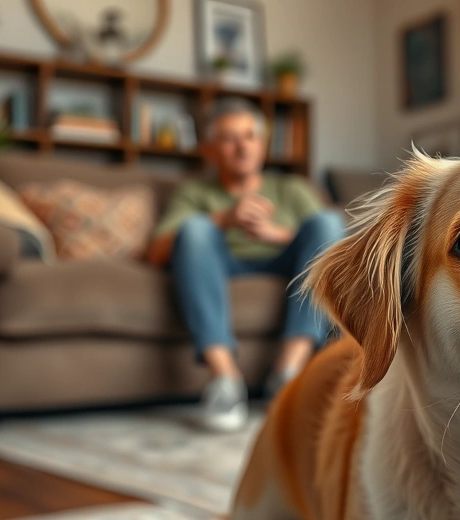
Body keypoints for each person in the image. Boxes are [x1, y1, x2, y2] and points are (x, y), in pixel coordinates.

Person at [147, 98, 344, 432]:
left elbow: (334, 244)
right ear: (209, 151)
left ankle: (288, 375)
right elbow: (156, 253)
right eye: (229, 138)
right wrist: (224, 218)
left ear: (263, 144)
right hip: (224, 263)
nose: (243, 147)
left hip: (286, 261)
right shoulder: (193, 193)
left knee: (328, 221)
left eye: (251, 136)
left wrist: (278, 234)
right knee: (193, 228)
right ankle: (224, 381)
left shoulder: (291, 188)